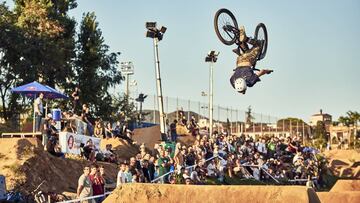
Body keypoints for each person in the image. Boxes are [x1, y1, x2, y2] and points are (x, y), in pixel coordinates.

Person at [229, 26, 273, 94]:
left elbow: (262, 71)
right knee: (245, 50)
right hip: (239, 60)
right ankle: (240, 40)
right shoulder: (233, 82)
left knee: (259, 44)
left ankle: (246, 39)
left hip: (248, 59)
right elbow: (232, 76)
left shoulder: (250, 82)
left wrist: (267, 71)